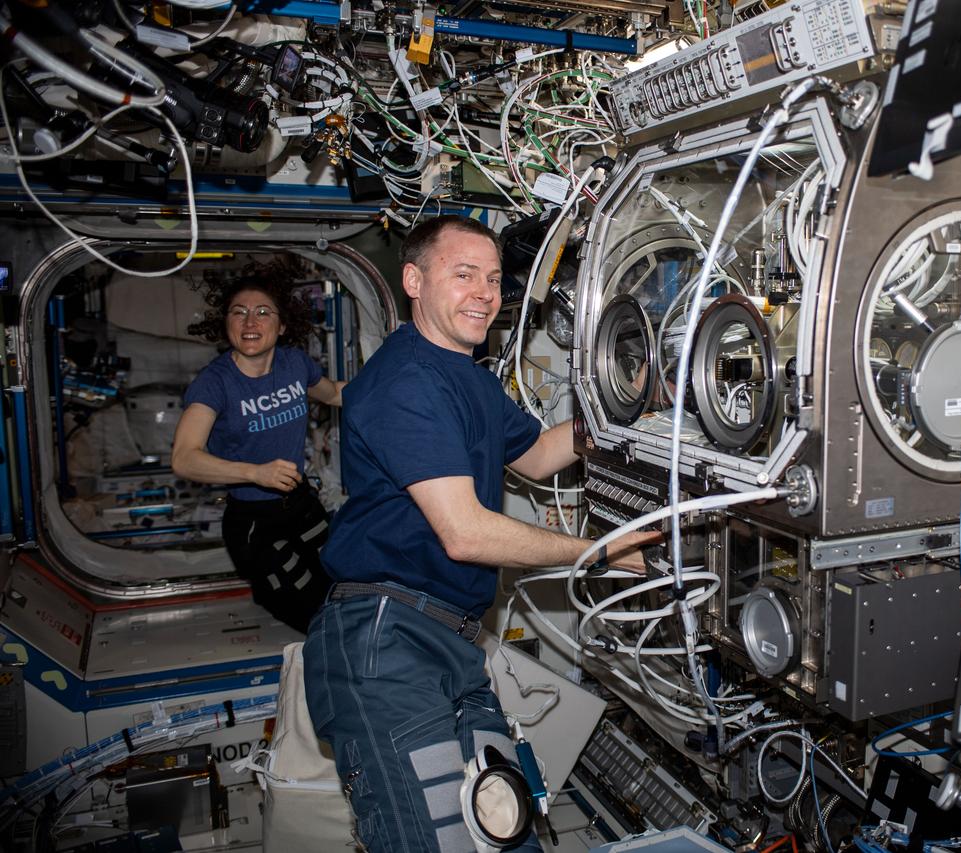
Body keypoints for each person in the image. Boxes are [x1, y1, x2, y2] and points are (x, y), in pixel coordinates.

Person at [303, 215, 655, 853]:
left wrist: (619, 402)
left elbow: (538, 457)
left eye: (493, 279)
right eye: (463, 275)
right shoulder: (404, 380)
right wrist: (598, 554)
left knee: (507, 834)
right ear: (413, 280)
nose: (484, 294)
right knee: (437, 841)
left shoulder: (470, 378)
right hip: (386, 644)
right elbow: (463, 534)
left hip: (452, 646)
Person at [172, 259, 345, 633]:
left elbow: (334, 395)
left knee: (345, 578)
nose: (251, 323)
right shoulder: (214, 383)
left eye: (263, 312)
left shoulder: (295, 364)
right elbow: (185, 459)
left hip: (301, 503)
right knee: (310, 609)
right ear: (227, 324)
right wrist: (254, 473)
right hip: (255, 522)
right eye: (240, 313)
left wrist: (405, 390)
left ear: (282, 326)